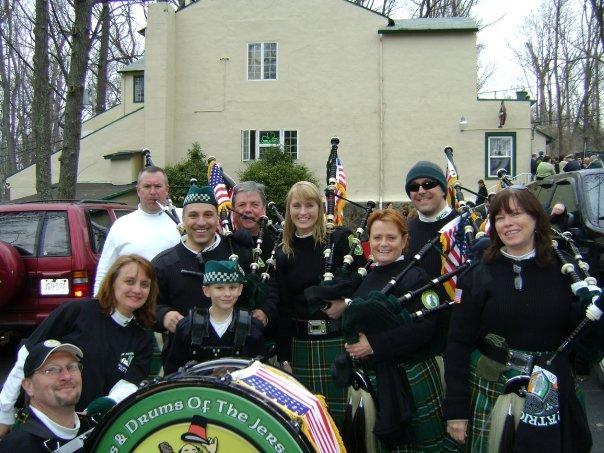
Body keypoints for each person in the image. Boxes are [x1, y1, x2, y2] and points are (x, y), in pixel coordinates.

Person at [444, 187, 594, 452]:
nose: (507, 223)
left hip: (550, 382)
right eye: (499, 217)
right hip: (492, 385)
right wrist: (456, 410)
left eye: (516, 214)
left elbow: (586, 346)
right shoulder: (477, 275)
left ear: (536, 218)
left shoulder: (566, 271)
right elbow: (457, 343)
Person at [0, 255, 156, 437]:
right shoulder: (75, 311)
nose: (137, 290)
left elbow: (128, 385)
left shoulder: (142, 338)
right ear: (113, 281)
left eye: (144, 285)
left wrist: (102, 407)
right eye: (129, 281)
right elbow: (26, 358)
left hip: (93, 430)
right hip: (44, 425)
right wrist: (4, 414)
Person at [344, 209, 446, 451]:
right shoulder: (368, 276)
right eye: (377, 237)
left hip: (410, 377)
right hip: (379, 377)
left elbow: (425, 328)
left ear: (404, 241)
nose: (383, 244)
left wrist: (374, 345)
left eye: (391, 238)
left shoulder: (415, 277)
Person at [266, 181, 365, 425]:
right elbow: (283, 307)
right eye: (296, 206)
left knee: (344, 423)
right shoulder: (282, 250)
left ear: (320, 208)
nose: (303, 212)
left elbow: (365, 281)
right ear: (288, 210)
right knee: (308, 424)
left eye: (309, 205)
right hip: (301, 346)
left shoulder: (340, 239)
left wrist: (346, 303)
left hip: (339, 343)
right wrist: (284, 356)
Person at [152, 184, 258, 338]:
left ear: (217, 218)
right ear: (183, 219)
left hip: (238, 354)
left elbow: (267, 292)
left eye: (208, 215)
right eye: (193, 215)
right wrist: (163, 315)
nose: (201, 222)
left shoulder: (239, 253)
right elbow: (148, 306)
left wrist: (264, 311)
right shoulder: (164, 264)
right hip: (183, 353)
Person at [163, 260, 266, 374]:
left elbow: (262, 372)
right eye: (219, 288)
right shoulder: (187, 327)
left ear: (240, 289)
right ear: (206, 291)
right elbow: (172, 373)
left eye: (232, 287)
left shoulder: (253, 327)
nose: (227, 294)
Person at [94, 166, 181, 294]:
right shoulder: (122, 225)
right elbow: (105, 270)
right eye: (147, 186)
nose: (152, 192)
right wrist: (97, 303)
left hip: (175, 299)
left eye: (157, 186)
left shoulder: (184, 219)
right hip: (134, 300)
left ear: (167, 190)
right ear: (138, 190)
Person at [404, 161, 459, 354]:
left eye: (428, 184)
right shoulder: (404, 231)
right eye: (413, 186)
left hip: (458, 336)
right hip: (418, 337)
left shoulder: (464, 227)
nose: (421, 190)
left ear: (443, 190)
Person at [0, 341, 92, 452]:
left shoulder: (95, 428)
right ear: (29, 386)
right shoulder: (17, 447)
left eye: (72, 367)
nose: (66, 376)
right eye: (51, 370)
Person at [231, 181, 280, 327]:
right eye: (241, 205)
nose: (248, 210)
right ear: (233, 210)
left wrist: (266, 311)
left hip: (273, 329)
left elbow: (282, 287)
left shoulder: (278, 243)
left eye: (254, 204)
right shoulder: (225, 243)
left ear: (264, 209)